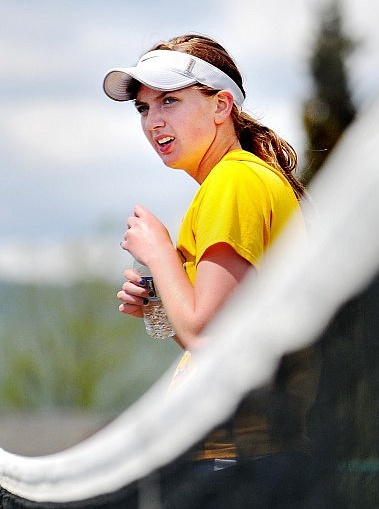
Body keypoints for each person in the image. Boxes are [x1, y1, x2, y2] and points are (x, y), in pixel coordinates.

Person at [103, 34, 321, 507]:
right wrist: (161, 296)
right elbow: (225, 339)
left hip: (244, 460)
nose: (154, 120)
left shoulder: (235, 180)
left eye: (170, 101)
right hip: (249, 456)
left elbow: (207, 336)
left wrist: (160, 253)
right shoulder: (234, 180)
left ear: (221, 105)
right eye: (143, 108)